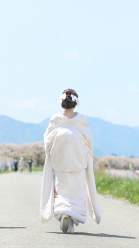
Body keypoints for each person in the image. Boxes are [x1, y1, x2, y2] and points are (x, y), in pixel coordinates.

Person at [39, 89, 102, 233]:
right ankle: (71, 218)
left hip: (60, 160)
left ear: (62, 102)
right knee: (77, 190)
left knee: (60, 189)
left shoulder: (55, 119)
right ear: (75, 103)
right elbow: (89, 141)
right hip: (77, 160)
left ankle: (63, 214)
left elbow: (47, 140)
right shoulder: (81, 119)